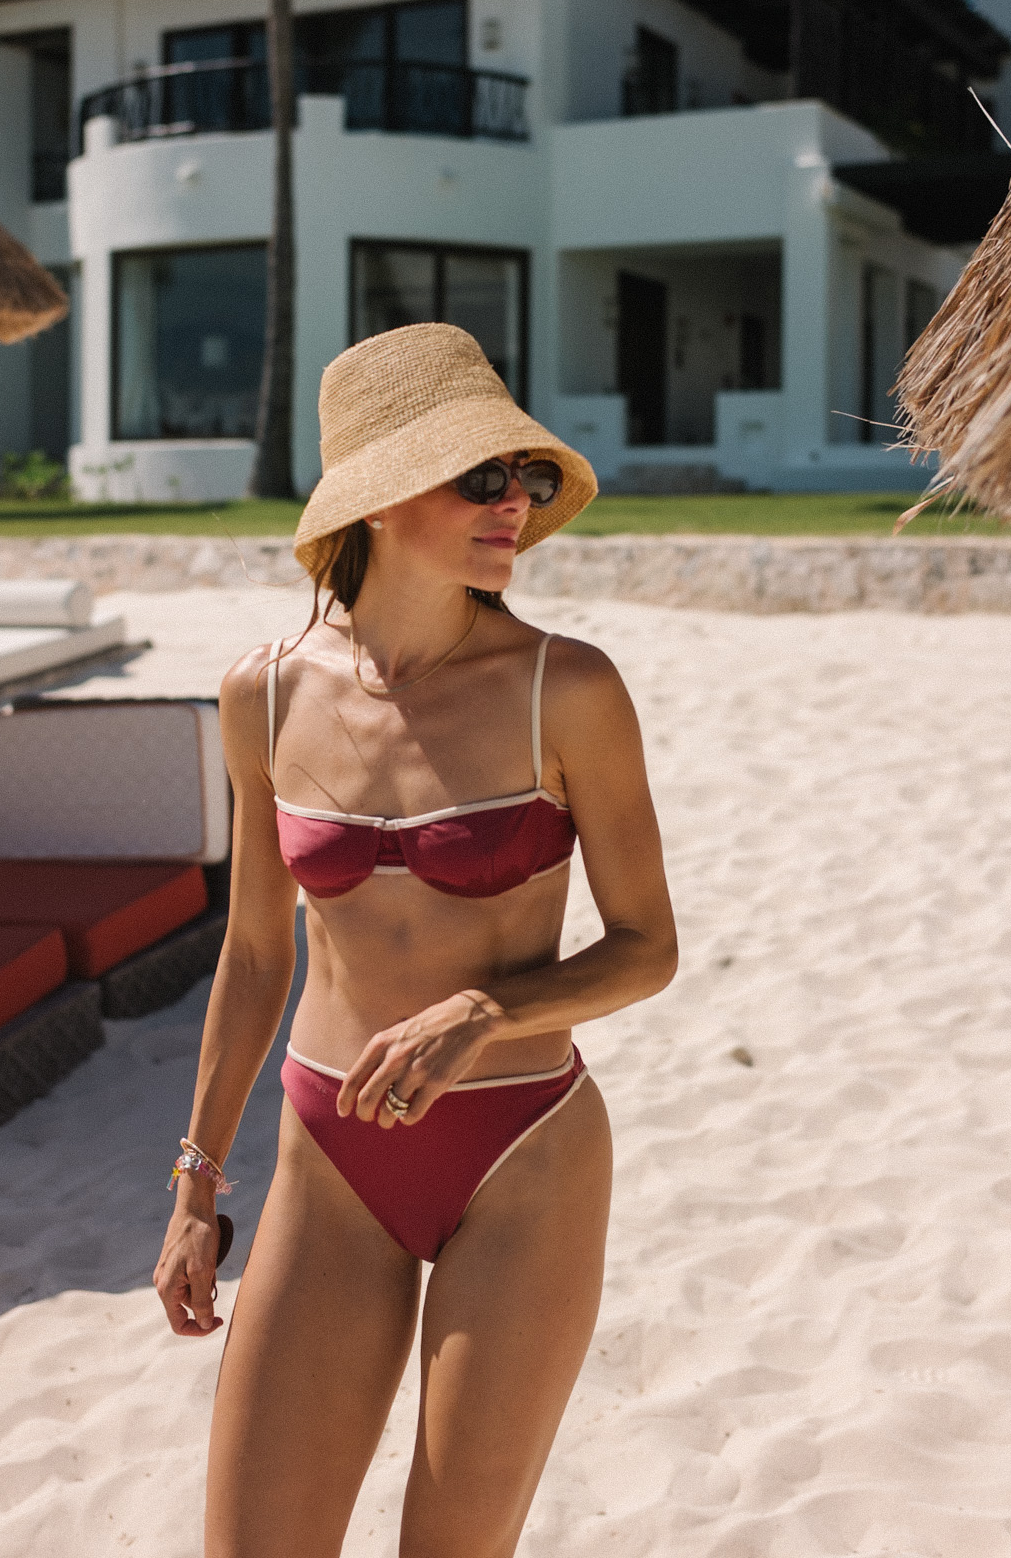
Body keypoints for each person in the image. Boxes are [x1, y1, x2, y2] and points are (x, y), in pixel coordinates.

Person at [155, 322, 677, 1558]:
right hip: (326, 1156)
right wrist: (194, 1184)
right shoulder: (263, 692)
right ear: (380, 500)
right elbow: (255, 958)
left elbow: (647, 944)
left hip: (523, 1155)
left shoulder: (568, 688)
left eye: (528, 477)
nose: (517, 503)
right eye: (481, 476)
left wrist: (490, 1009)